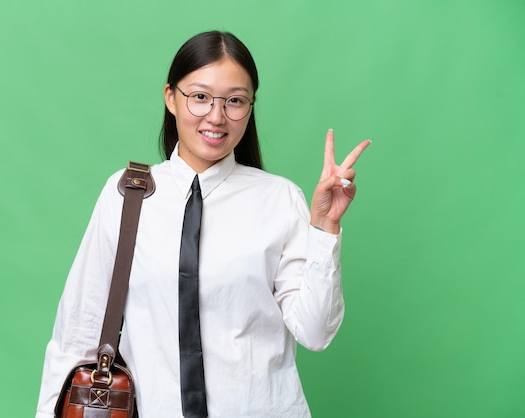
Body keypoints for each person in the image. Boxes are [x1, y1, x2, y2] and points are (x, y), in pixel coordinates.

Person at [36, 30, 370, 418]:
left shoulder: (279, 199)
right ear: (171, 98)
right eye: (200, 97)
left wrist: (324, 228)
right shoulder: (126, 194)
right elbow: (77, 333)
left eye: (234, 101)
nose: (216, 115)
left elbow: (315, 333)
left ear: (249, 106)